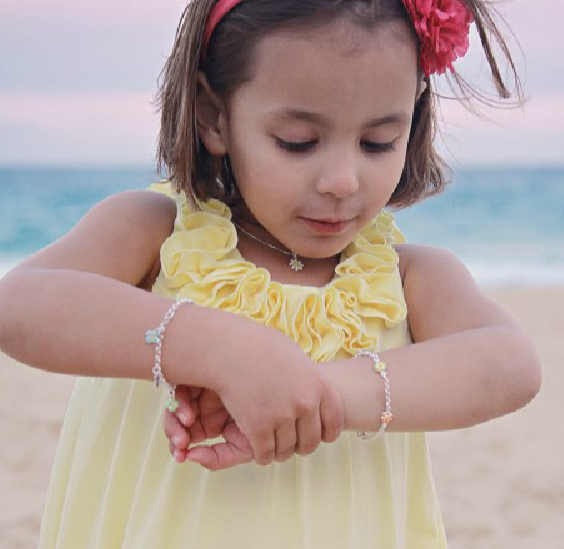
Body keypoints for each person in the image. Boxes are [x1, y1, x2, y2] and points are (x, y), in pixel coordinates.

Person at [0, 0, 541, 547]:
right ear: (215, 118)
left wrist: (312, 394)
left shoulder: (408, 276)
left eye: (378, 142)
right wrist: (223, 350)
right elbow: (20, 305)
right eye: (298, 142)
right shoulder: (156, 234)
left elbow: (509, 364)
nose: (341, 180)